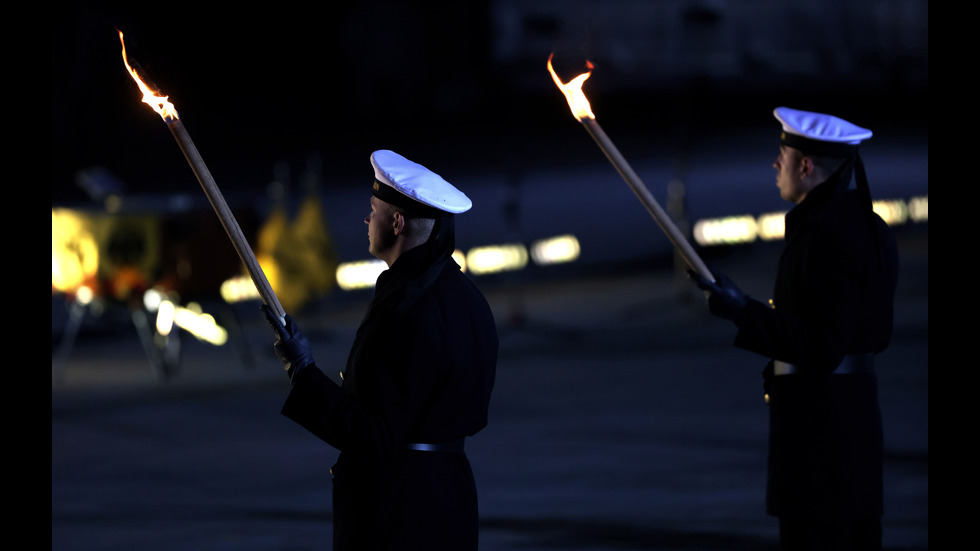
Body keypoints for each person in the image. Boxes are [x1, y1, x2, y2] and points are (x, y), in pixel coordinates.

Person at [262, 149, 498, 550]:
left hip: (401, 508)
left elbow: (375, 435)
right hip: (449, 496)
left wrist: (302, 369)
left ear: (398, 222)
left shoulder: (410, 310)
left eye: (375, 210)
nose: (367, 219)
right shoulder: (466, 296)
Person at [688, 107, 899, 550]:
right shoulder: (869, 227)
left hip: (822, 447)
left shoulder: (828, 235)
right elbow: (873, 335)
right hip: (852, 433)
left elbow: (823, 346)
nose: (774, 165)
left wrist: (741, 310)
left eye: (781, 156)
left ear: (805, 166)